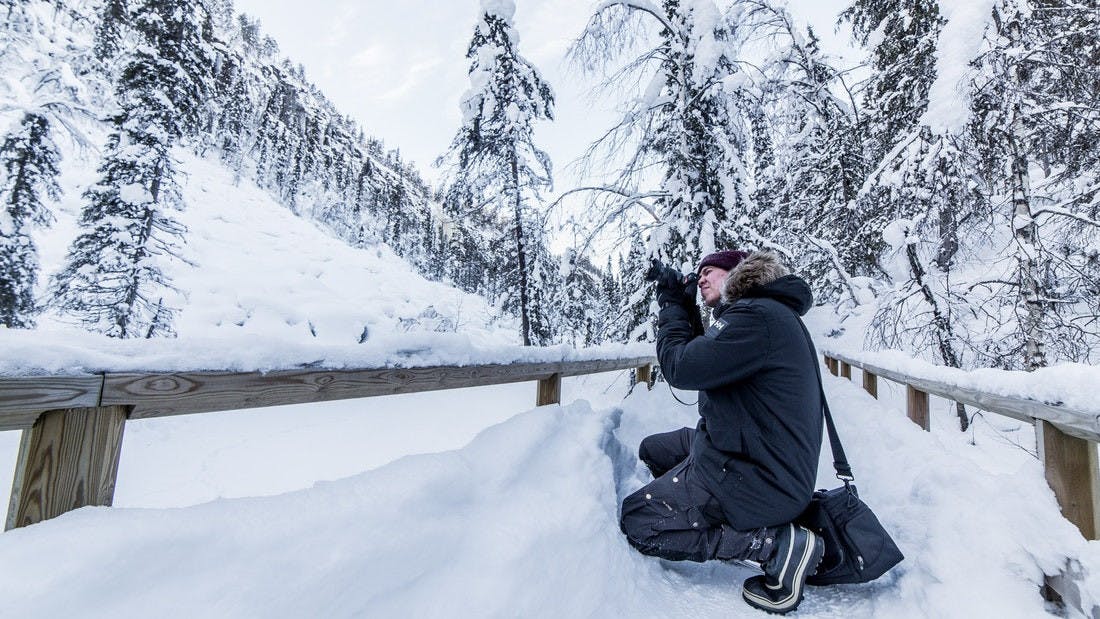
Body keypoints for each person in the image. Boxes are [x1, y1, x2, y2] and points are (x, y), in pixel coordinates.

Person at [620, 249, 825, 615]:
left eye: (710, 272)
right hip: (753, 456)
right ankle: (702, 509)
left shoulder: (755, 317)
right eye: (698, 274)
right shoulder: (763, 315)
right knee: (654, 449)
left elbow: (682, 368)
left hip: (756, 478)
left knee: (639, 520)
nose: (700, 279)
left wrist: (669, 308)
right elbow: (709, 360)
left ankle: (773, 545)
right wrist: (684, 308)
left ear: (737, 274)